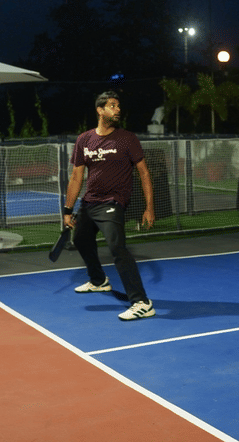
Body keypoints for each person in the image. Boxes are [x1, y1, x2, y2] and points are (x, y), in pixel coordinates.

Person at [63, 90, 156, 321]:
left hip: (113, 202)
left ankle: (142, 302)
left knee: (117, 248)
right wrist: (68, 209)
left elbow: (144, 173)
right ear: (100, 110)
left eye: (118, 106)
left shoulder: (127, 139)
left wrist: (149, 207)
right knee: (81, 240)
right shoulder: (84, 139)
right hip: (89, 202)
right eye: (112, 105)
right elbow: (76, 177)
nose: (117, 109)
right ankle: (99, 281)